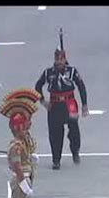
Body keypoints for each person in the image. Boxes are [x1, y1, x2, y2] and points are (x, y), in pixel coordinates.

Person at [35, 34, 89, 170]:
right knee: (55, 133)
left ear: (65, 59)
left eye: (61, 59)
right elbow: (38, 86)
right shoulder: (48, 72)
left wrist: (84, 105)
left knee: (74, 130)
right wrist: (43, 101)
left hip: (70, 103)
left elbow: (81, 86)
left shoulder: (72, 71)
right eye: (57, 59)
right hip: (54, 104)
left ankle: (75, 151)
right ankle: (56, 160)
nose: (59, 62)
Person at [0, 88, 41, 198]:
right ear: (17, 129)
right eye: (22, 127)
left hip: (26, 176)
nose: (26, 129)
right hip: (20, 179)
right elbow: (16, 167)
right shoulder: (15, 145)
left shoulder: (21, 142)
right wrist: (23, 183)